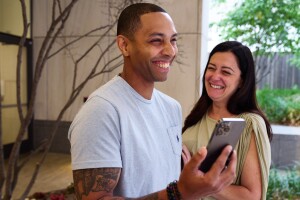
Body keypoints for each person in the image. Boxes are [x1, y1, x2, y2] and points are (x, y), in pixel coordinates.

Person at [68, 3, 237, 200]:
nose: (170, 51)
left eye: (173, 40)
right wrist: (180, 193)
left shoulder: (171, 107)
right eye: (157, 41)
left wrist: (193, 178)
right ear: (124, 45)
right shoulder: (101, 111)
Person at [182, 41, 272, 200]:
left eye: (226, 72)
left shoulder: (249, 124)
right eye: (211, 68)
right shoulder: (198, 116)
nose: (215, 76)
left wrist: (199, 178)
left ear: (242, 82)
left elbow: (252, 196)